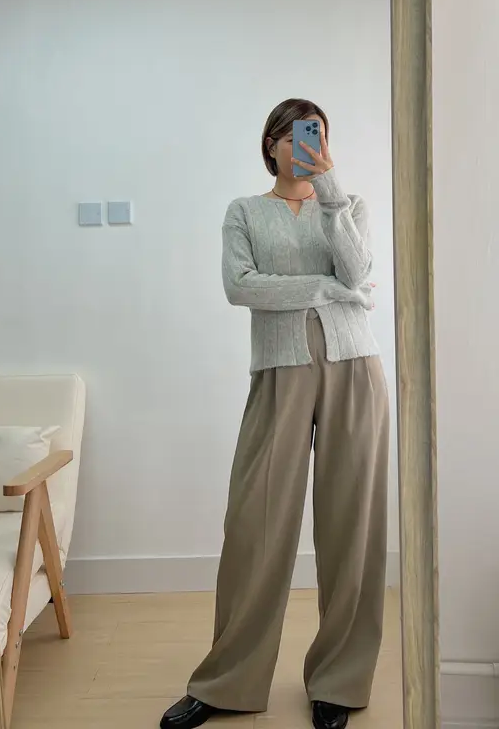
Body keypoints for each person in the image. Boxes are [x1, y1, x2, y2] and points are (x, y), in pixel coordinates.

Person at [161, 99, 390, 729]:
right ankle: (226, 681)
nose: (305, 146)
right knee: (255, 522)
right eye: (292, 136)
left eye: (315, 135)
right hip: (279, 371)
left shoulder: (349, 206)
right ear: (271, 145)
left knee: (352, 524)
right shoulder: (244, 211)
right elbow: (241, 285)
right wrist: (326, 290)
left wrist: (331, 189)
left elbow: (361, 269)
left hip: (354, 367)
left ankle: (340, 682)